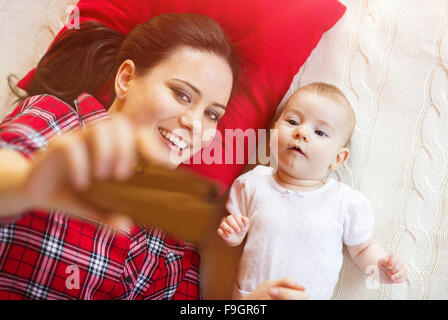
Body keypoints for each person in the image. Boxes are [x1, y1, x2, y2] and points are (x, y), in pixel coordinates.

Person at [0, 13, 306, 300]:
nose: (195, 123)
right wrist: (28, 183)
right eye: (181, 94)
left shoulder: (173, 232)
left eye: (212, 114)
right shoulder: (57, 121)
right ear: (126, 79)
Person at [217, 82, 408, 300]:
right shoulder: (252, 184)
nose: (301, 132)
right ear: (272, 132)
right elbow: (235, 231)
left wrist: (381, 267)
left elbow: (363, 250)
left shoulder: (343, 202)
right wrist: (233, 234)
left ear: (338, 158)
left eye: (320, 132)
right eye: (292, 121)